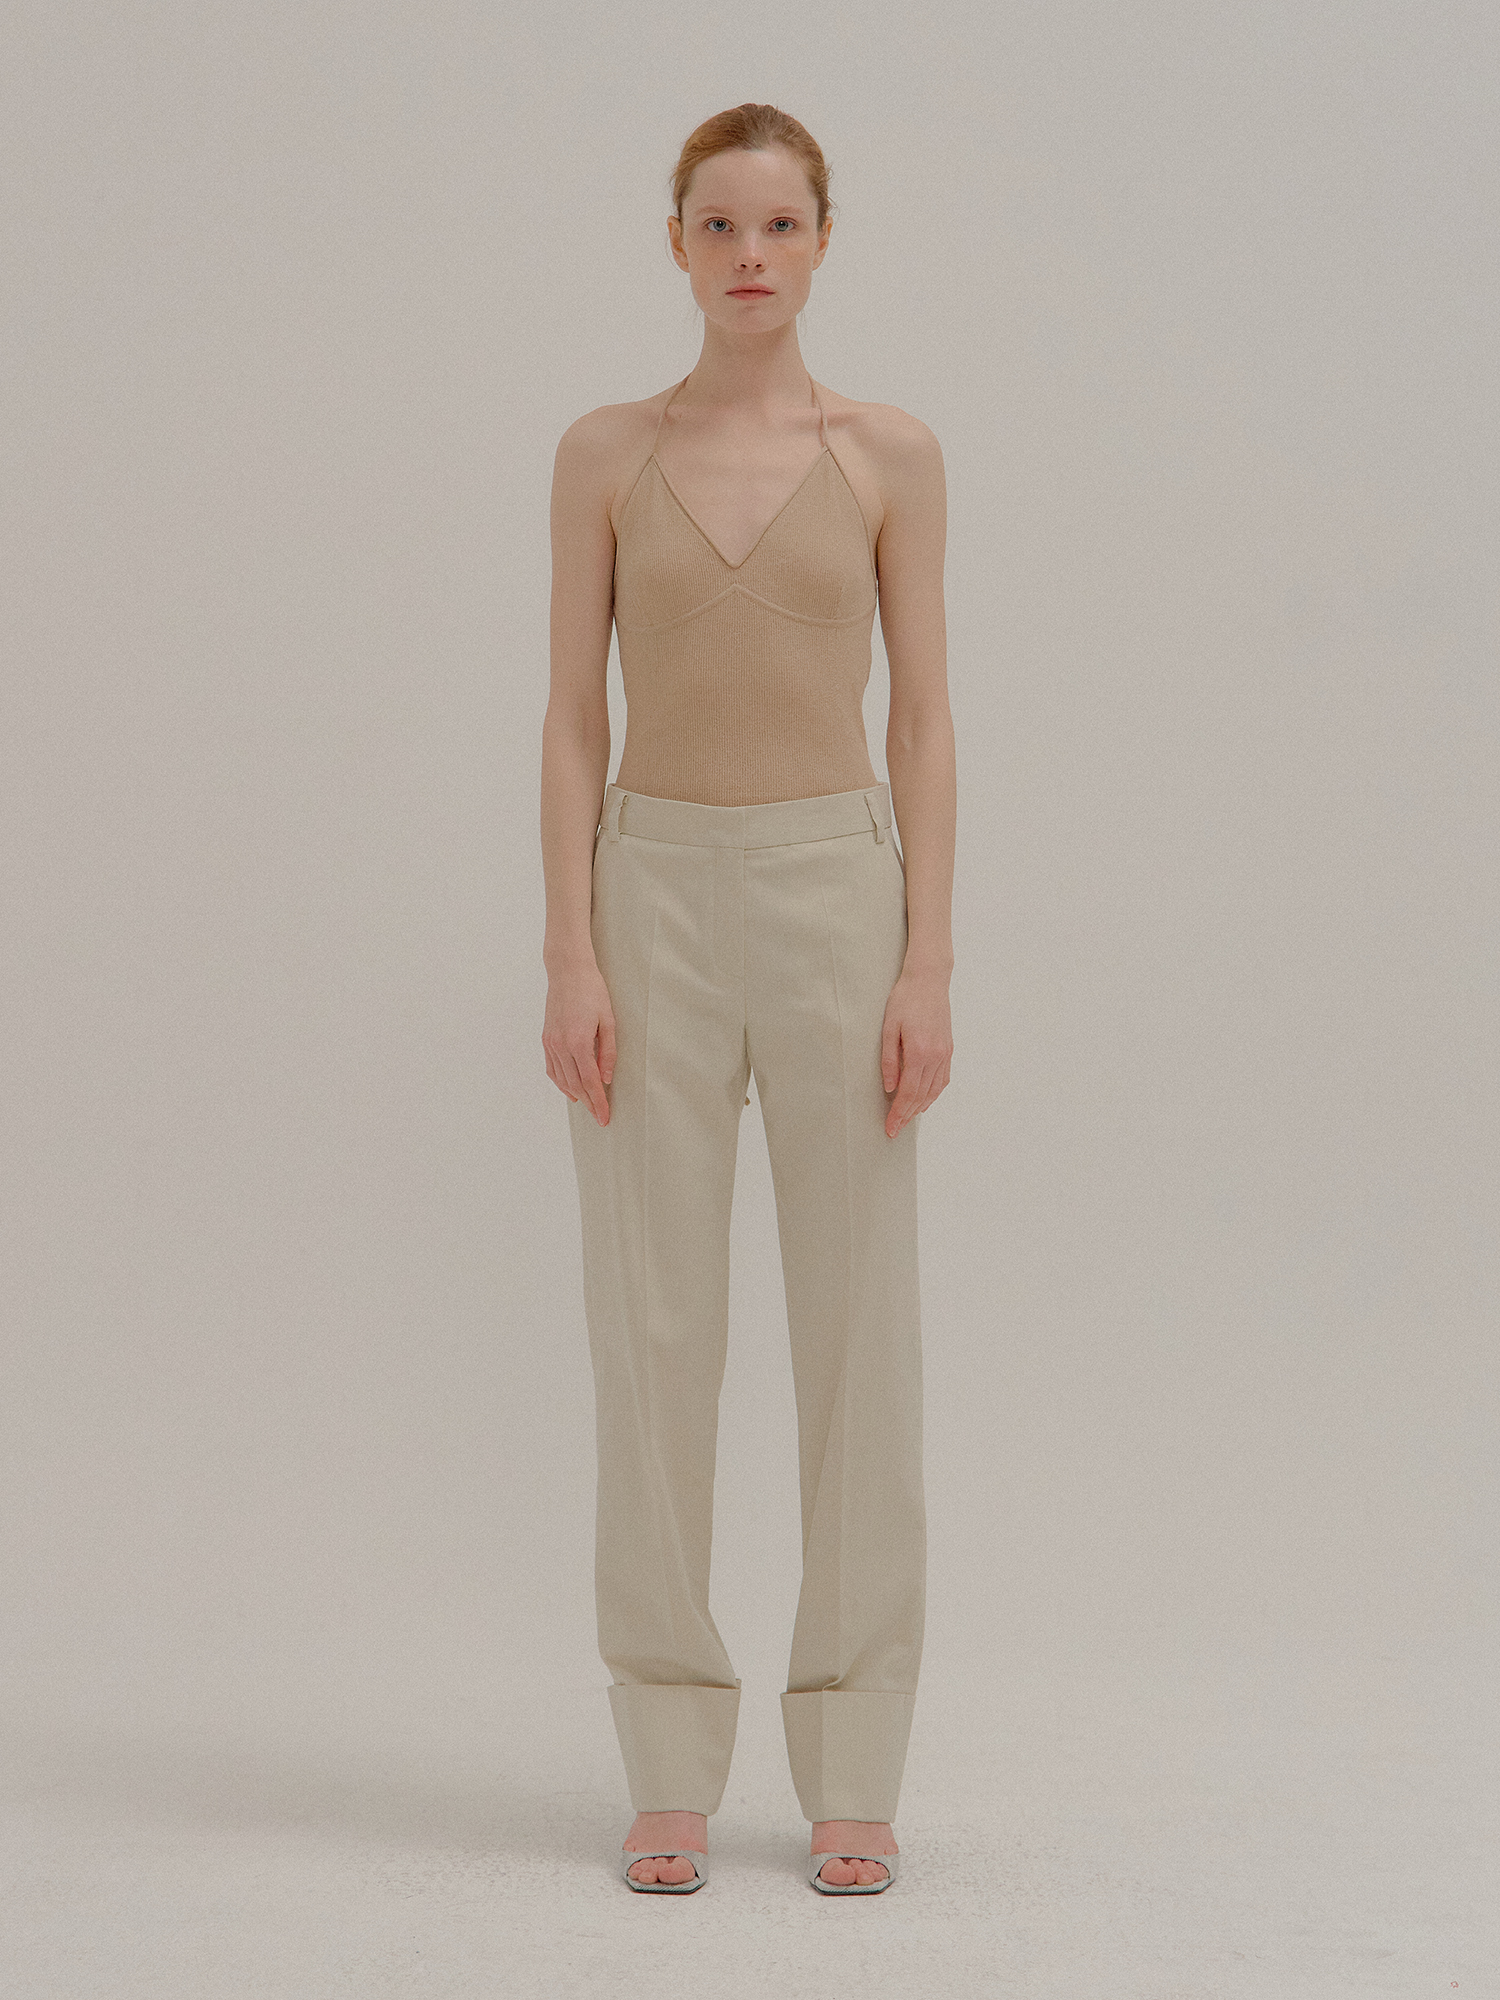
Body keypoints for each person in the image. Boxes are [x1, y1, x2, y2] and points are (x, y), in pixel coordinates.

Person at [540, 102, 955, 1894]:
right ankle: (668, 1756)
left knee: (859, 1330)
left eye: (781, 224)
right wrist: (571, 947)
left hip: (835, 895)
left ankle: (854, 1761)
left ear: (824, 240)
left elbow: (925, 719)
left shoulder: (888, 455)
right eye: (720, 224)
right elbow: (572, 715)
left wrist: (927, 958)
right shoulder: (603, 452)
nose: (752, 255)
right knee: (651, 1332)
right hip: (651, 896)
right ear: (678, 245)